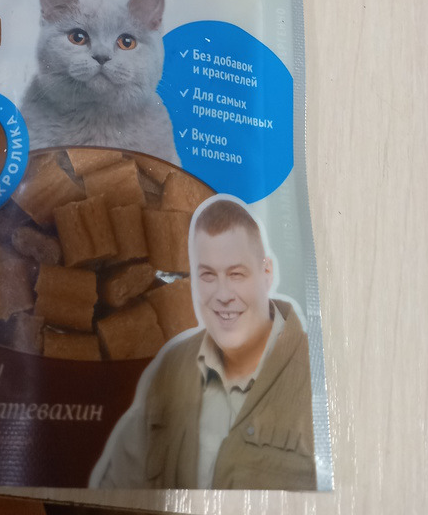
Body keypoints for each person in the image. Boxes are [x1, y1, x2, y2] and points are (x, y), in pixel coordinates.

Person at [91, 197, 316, 490]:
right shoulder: (171, 368)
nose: (223, 295)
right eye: (208, 275)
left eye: (236, 274)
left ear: (267, 273)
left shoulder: (319, 376)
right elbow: (116, 491)